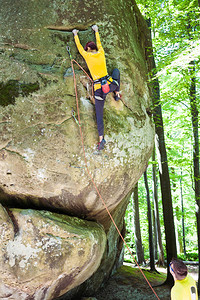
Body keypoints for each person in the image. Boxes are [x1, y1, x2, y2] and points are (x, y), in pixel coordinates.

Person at [72, 25, 121, 151]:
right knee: (116, 71)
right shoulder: (101, 53)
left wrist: (75, 34)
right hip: (110, 84)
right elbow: (99, 43)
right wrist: (96, 31)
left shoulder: (87, 56)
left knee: (99, 115)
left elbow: (79, 48)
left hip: (99, 89)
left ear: (88, 48)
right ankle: (116, 93)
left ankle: (101, 139)